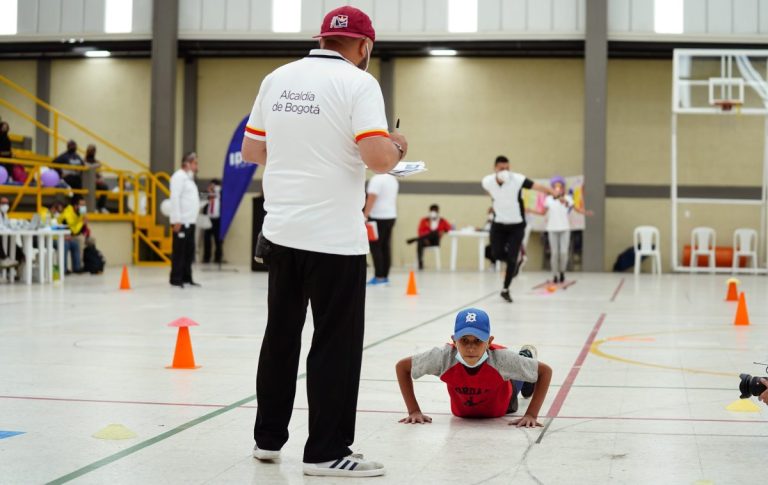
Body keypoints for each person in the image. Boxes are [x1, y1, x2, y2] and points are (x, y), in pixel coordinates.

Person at [241, 5, 406, 478]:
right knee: (334, 344)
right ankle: (326, 451)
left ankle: (267, 440)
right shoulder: (360, 83)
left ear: (322, 39)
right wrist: (398, 146)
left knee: (281, 338)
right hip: (335, 239)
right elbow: (377, 158)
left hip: (281, 233)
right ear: (364, 47)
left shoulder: (278, 77)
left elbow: (252, 149)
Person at [395, 308, 552, 426]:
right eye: (464, 340)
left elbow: (545, 371)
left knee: (519, 372)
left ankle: (526, 356)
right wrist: (414, 411)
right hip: (464, 412)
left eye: (478, 341)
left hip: (504, 402)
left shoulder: (502, 360)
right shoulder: (444, 357)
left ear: (489, 341)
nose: (470, 348)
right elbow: (402, 367)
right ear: (454, 340)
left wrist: (531, 414)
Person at [482, 156, 555, 303]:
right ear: (495, 169)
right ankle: (515, 262)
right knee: (495, 253)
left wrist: (552, 192)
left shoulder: (517, 179)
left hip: (516, 225)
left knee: (511, 258)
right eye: (502, 169)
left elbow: (537, 187)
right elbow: (490, 193)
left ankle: (505, 289)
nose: (505, 172)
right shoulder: (487, 181)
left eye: (507, 169)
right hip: (498, 224)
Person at [528, 176, 592, 283]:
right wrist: (530, 210)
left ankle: (562, 271)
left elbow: (575, 209)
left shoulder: (567, 198)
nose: (558, 188)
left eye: (560, 186)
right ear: (552, 188)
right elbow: (543, 212)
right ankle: (554, 275)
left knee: (563, 253)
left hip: (565, 229)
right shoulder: (548, 199)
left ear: (563, 188)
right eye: (555, 186)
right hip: (552, 229)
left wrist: (586, 212)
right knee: (554, 253)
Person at [169, 152, 201, 288]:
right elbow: (175, 198)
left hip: (191, 221)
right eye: (195, 163)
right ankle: (176, 278)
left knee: (188, 252)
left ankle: (187, 277)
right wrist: (176, 220)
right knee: (179, 252)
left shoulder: (189, 179)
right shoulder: (178, 177)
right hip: (181, 222)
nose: (197, 166)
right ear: (187, 163)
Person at [363, 173, 398, 284]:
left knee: (375, 247)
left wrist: (365, 215)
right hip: (391, 217)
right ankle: (385, 276)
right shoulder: (393, 179)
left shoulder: (376, 179)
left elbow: (371, 198)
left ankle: (379, 276)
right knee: (385, 246)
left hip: (377, 217)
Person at [407, 204, 452, 270]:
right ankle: (420, 262)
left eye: (435, 211)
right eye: (432, 211)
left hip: (435, 241)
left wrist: (443, 231)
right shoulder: (424, 220)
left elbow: (450, 228)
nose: (433, 212)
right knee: (420, 242)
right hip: (425, 241)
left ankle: (415, 239)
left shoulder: (442, 221)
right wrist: (424, 238)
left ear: (438, 212)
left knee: (434, 233)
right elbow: (420, 231)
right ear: (429, 211)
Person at [58, 195, 89, 274]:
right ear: (75, 205)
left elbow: (82, 230)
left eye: (84, 205)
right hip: (62, 236)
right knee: (77, 241)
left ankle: (77, 267)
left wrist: (85, 225)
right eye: (81, 205)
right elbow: (73, 231)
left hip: (72, 235)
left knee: (84, 240)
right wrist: (82, 223)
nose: (83, 207)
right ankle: (64, 269)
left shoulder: (80, 212)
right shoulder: (67, 213)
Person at [201, 179, 223, 264]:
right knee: (207, 239)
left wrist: (219, 191)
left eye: (215, 186)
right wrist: (208, 191)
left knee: (218, 240)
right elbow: (201, 198)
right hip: (208, 219)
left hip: (218, 219)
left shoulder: (221, 194)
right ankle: (206, 258)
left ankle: (218, 258)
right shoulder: (208, 194)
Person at [85, 145, 109, 213]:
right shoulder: (84, 161)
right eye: (90, 151)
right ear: (87, 151)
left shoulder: (96, 162)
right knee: (92, 187)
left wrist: (101, 179)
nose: (92, 152)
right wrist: (94, 180)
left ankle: (101, 207)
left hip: (96, 182)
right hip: (87, 182)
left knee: (105, 187)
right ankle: (93, 207)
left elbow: (100, 174)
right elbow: (88, 168)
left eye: (93, 151)